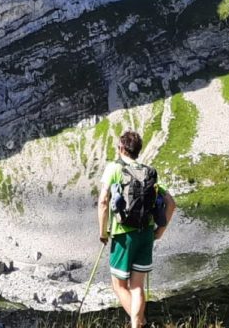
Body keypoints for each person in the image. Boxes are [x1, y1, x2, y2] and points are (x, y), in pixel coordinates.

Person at [97, 130, 176, 328]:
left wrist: (103, 232)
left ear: (121, 148)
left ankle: (138, 324)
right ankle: (139, 323)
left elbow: (103, 202)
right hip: (146, 233)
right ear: (138, 151)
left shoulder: (114, 168)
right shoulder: (149, 172)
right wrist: (160, 231)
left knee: (118, 285)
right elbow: (171, 203)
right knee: (137, 286)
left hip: (123, 234)